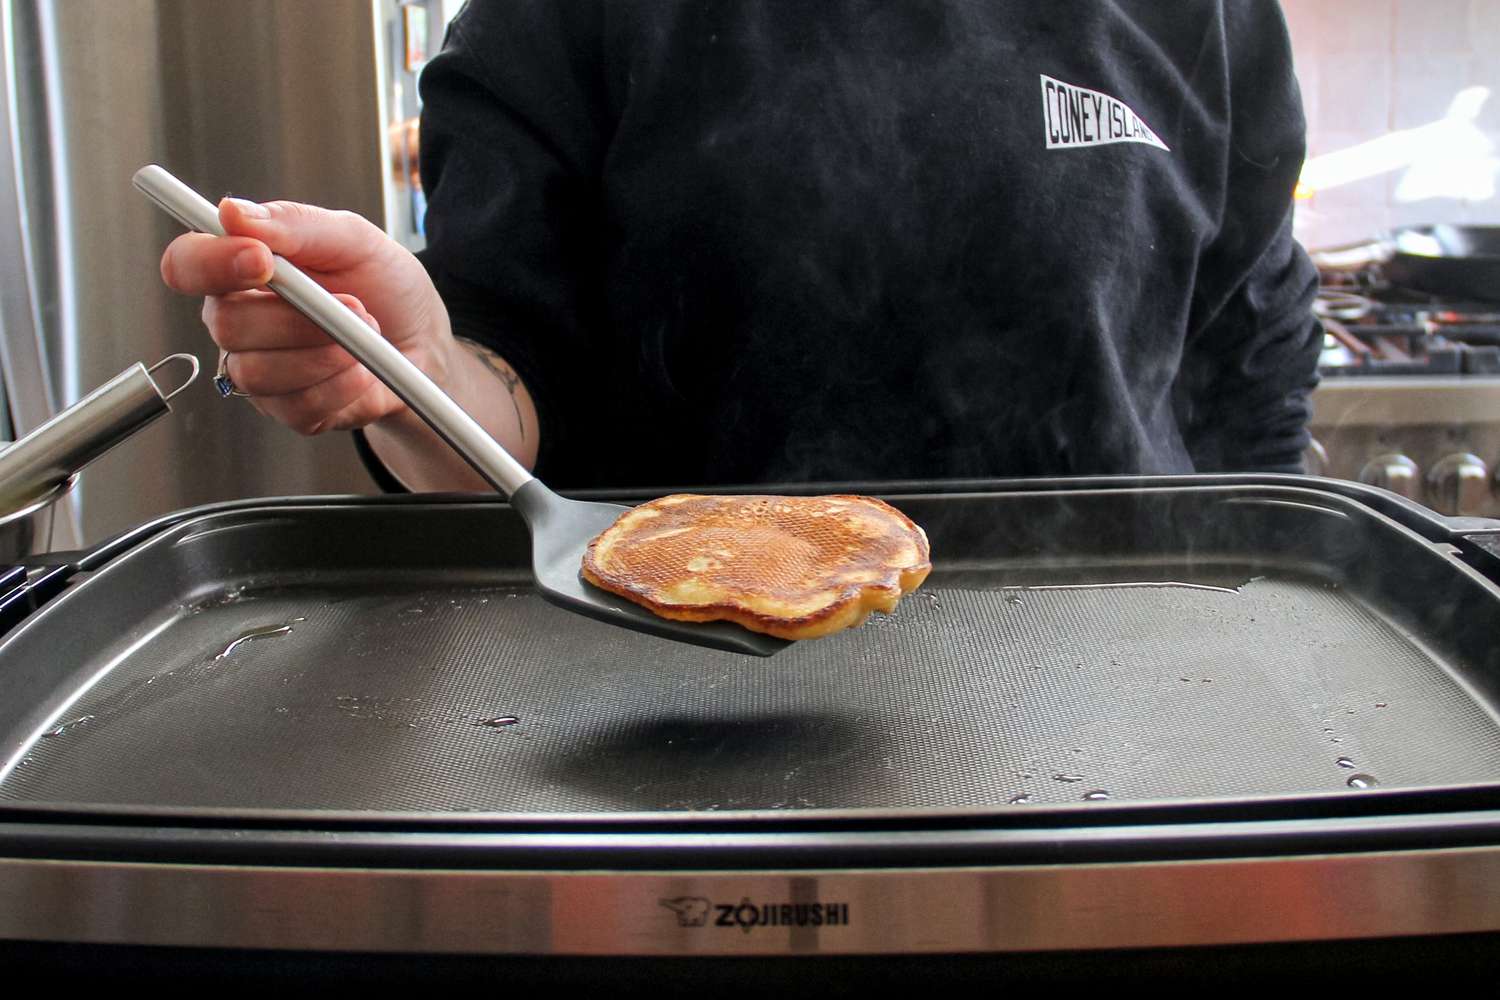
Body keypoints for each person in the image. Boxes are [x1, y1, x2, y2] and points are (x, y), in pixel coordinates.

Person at [158, 0, 1321, 494]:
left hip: (1122, 708)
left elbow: (1255, 346)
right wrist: (400, 375)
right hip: (681, 713)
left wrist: (1252, 619)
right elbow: (502, 401)